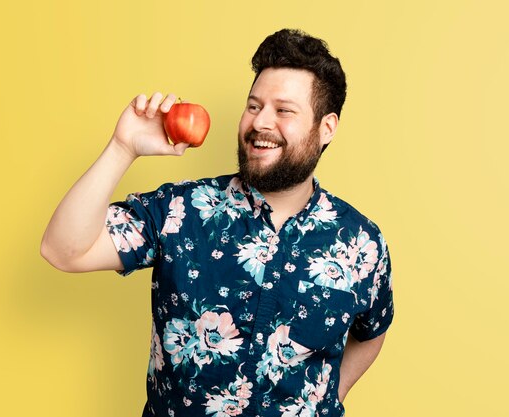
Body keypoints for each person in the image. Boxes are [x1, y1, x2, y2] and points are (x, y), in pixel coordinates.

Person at [41, 28, 394, 417]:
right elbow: (63, 250)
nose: (260, 123)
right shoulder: (182, 210)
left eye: (283, 110)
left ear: (326, 127)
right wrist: (122, 148)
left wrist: (326, 399)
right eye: (254, 106)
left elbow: (371, 333)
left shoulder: (362, 242)